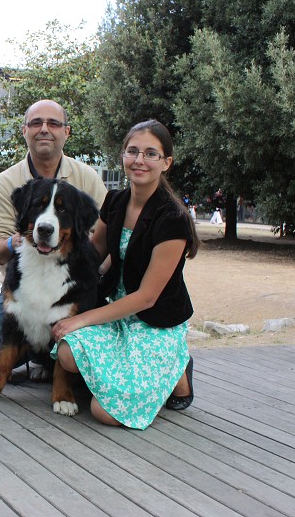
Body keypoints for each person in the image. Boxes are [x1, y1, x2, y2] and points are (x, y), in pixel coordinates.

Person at [51, 119, 200, 430]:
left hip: (153, 320)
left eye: (150, 154)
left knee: (105, 413)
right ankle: (140, 378)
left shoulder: (174, 219)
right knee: (67, 354)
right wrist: (51, 258)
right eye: (132, 152)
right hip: (117, 312)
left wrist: (80, 319)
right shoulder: (116, 200)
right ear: (122, 157)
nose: (139, 161)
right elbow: (93, 253)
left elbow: (146, 297)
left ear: (166, 163)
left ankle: (177, 370)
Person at [0, 99, 107, 379]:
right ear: (25, 131)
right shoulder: (5, 183)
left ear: (66, 132)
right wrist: (21, 240)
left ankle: (51, 360)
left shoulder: (87, 177)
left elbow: (100, 236)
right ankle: (41, 354)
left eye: (53, 123)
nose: (44, 129)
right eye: (36, 123)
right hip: (24, 283)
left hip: (70, 284)